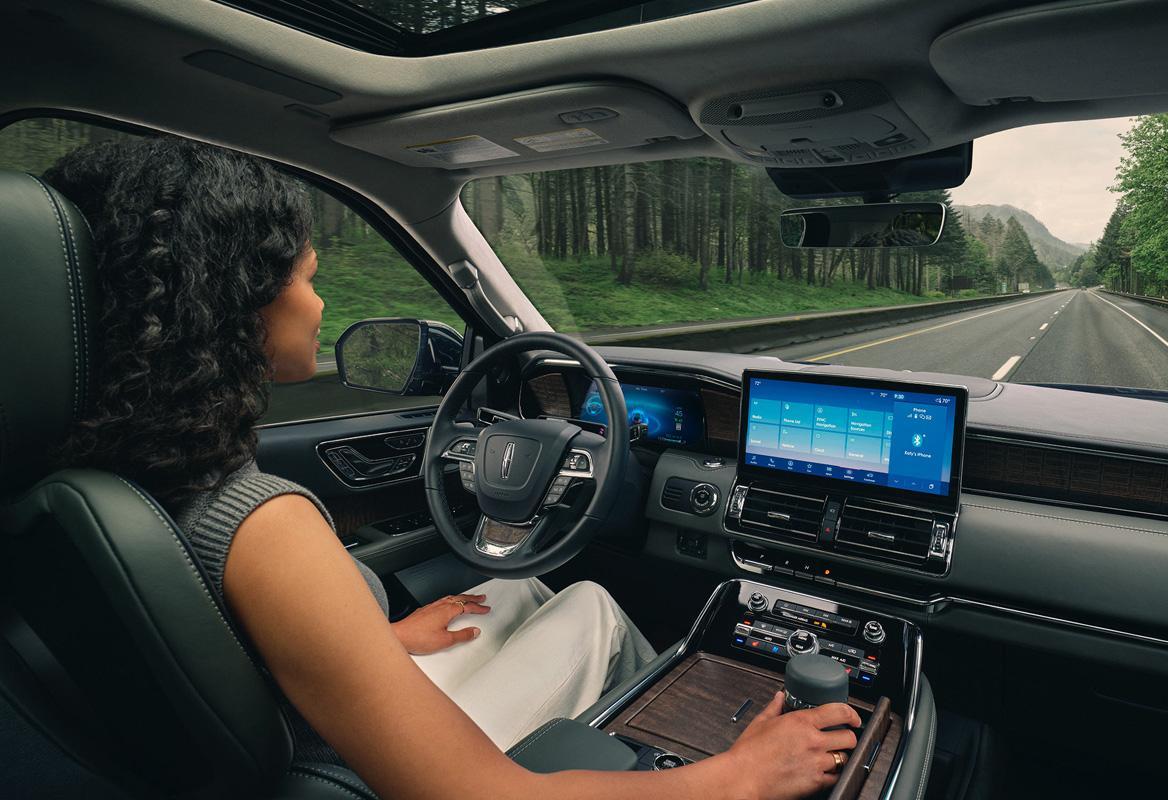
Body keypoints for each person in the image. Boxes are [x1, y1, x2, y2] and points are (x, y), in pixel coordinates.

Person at [45, 136, 861, 800]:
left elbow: (212, 656)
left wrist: (376, 639)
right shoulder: (264, 528)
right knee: (593, 605)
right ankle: (663, 765)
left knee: (509, 588)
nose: (320, 303)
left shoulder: (84, 475)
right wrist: (736, 779)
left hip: (276, 733)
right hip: (335, 773)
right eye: (305, 277)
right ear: (237, 300)